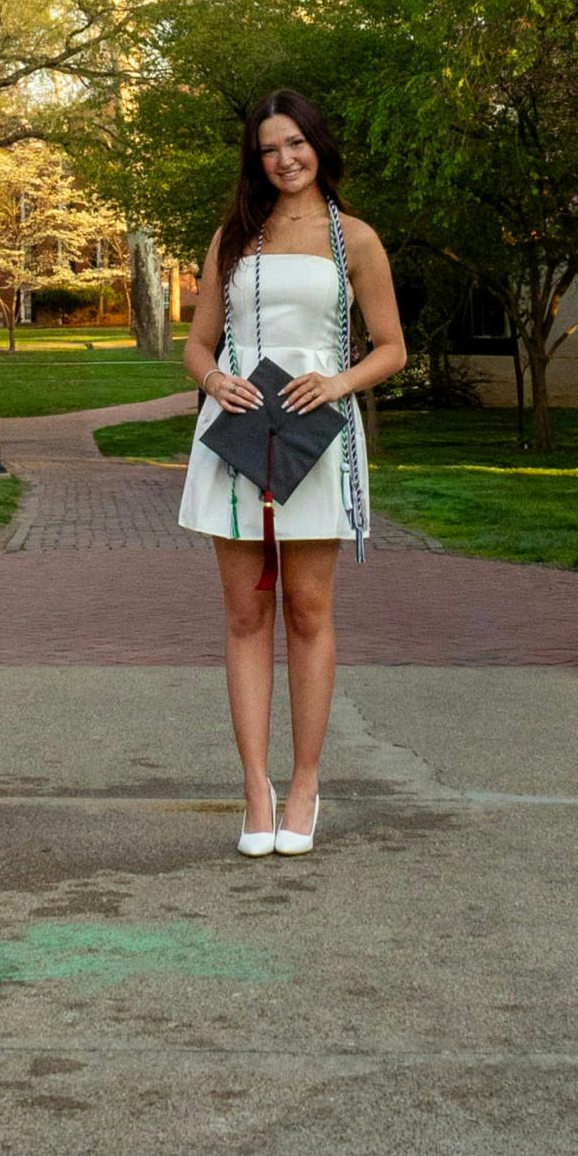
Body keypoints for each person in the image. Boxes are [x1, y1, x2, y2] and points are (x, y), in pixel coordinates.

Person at [177, 89, 406, 857]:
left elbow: (391, 346)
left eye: (295, 143)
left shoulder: (357, 241)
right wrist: (212, 383)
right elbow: (198, 345)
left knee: (308, 611)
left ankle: (306, 782)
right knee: (245, 616)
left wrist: (337, 382)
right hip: (238, 432)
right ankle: (255, 786)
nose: (285, 159)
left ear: (318, 145)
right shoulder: (234, 239)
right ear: (256, 159)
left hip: (316, 437)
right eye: (269, 149)